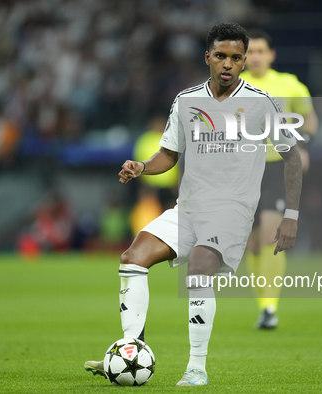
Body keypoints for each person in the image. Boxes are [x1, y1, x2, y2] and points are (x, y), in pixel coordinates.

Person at [85, 22, 302, 386]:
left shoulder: (261, 104)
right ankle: (131, 349)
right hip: (188, 208)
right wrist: (142, 167)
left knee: (200, 268)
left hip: (232, 209)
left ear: (245, 61)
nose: (228, 64)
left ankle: (196, 368)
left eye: (236, 57)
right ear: (208, 57)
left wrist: (291, 216)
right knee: (132, 258)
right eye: (221, 56)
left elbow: (292, 158)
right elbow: (168, 155)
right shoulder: (187, 101)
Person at [240, 29, 318, 329]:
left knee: (272, 234)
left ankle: (269, 308)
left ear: (271, 55)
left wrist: (304, 144)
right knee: (253, 243)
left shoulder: (289, 85)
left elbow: (309, 116)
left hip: (276, 167)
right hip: (243, 168)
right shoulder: (233, 85)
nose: (256, 57)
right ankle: (263, 305)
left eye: (261, 51)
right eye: (251, 52)